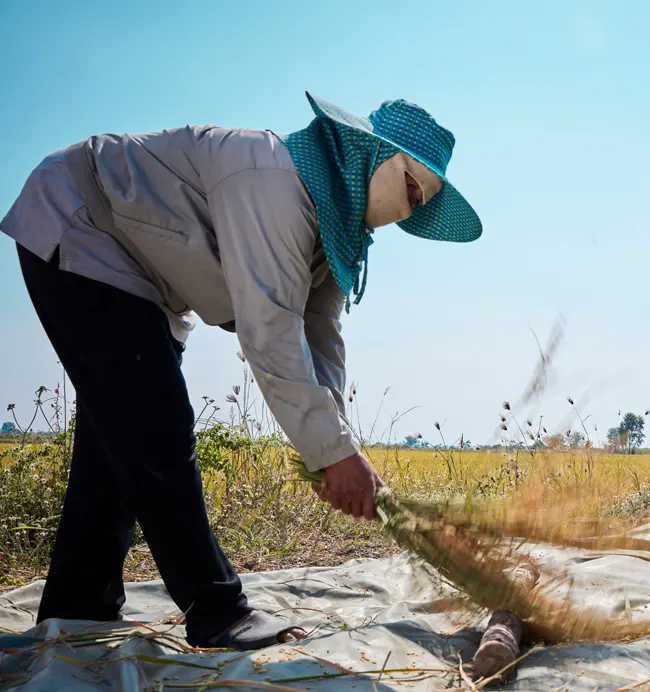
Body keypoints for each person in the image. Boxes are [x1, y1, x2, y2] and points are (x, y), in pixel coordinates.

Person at [0, 92, 482, 650]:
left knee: (117, 448)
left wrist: (336, 448)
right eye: (413, 187)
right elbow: (270, 335)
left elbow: (319, 337)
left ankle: (76, 613)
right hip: (81, 218)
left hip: (145, 283)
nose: (412, 207)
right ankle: (219, 611)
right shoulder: (275, 182)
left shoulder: (335, 234)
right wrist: (333, 455)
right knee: (155, 427)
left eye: (423, 201)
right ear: (372, 155)